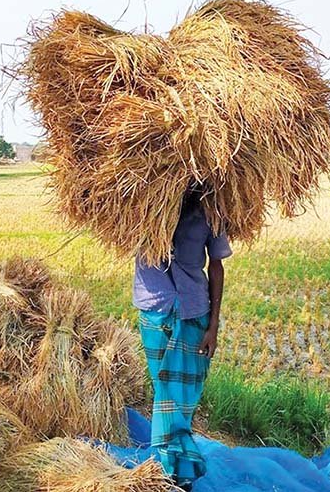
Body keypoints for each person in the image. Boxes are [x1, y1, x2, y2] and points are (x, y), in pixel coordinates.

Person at [133, 184, 231, 490]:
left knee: (182, 399)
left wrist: (213, 326)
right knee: (164, 391)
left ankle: (171, 471)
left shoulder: (211, 212)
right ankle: (169, 474)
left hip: (193, 312)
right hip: (154, 311)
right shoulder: (138, 203)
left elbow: (217, 267)